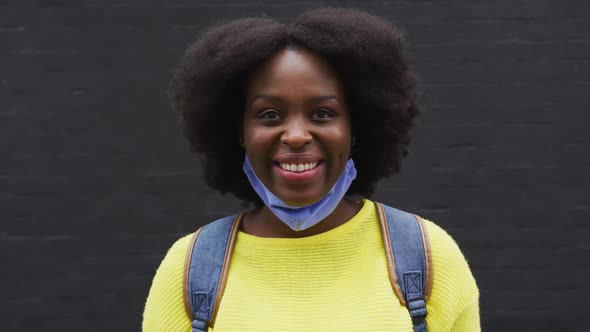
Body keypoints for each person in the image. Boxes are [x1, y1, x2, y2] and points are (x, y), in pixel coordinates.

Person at [143, 8, 480, 331]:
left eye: (322, 114)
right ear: (239, 132)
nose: (296, 136)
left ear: (356, 127)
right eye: (270, 115)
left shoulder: (428, 259)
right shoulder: (189, 271)